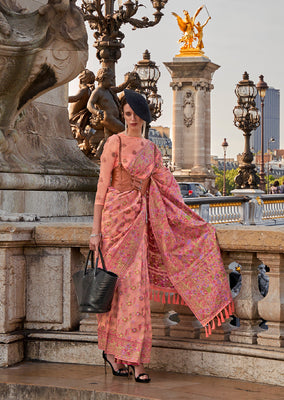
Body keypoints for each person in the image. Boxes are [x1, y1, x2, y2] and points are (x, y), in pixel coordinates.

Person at [89, 89, 233, 384]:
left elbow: (170, 193)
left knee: (137, 295)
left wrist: (196, 226)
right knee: (113, 293)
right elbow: (101, 191)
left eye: (135, 114)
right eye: (126, 113)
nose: (130, 119)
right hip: (113, 223)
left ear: (144, 116)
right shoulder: (113, 143)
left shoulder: (152, 151)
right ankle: (115, 356)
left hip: (138, 225)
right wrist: (95, 231)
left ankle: (138, 362)